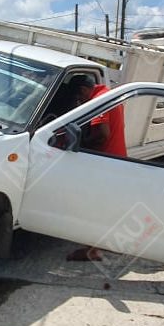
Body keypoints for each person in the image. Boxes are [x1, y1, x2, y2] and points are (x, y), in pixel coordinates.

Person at [64, 74, 127, 262]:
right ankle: (110, 243)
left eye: (79, 97)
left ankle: (93, 250)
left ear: (84, 90)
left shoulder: (99, 100)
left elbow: (102, 134)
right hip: (116, 159)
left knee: (94, 207)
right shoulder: (108, 93)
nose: (79, 101)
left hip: (107, 162)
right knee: (107, 207)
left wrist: (80, 146)